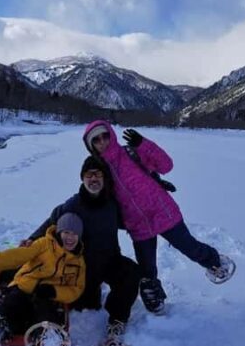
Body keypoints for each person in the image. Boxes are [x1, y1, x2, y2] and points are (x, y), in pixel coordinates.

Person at [83, 120, 234, 314]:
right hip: (138, 225)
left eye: (105, 135)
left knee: (190, 247)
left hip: (163, 212)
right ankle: (154, 297)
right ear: (91, 145)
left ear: (111, 134)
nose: (102, 141)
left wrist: (143, 144)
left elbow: (166, 165)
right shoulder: (99, 169)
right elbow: (97, 195)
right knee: (147, 269)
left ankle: (215, 262)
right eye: (96, 140)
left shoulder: (130, 152)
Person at [22, 155, 140, 346]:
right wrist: (32, 239)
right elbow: (52, 222)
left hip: (110, 260)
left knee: (131, 273)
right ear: (82, 178)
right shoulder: (73, 204)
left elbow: (135, 214)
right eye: (89, 175)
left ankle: (117, 321)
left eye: (98, 174)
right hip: (83, 268)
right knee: (87, 305)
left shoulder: (113, 203)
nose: (93, 179)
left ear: (105, 178)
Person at [0, 212, 86, 343]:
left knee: (47, 311)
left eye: (74, 234)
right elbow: (14, 257)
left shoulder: (78, 263)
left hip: (46, 296)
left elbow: (76, 289)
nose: (70, 237)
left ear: (79, 237)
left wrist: (54, 291)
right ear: (59, 232)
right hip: (24, 287)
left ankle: (47, 338)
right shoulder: (44, 244)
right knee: (13, 302)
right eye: (66, 232)